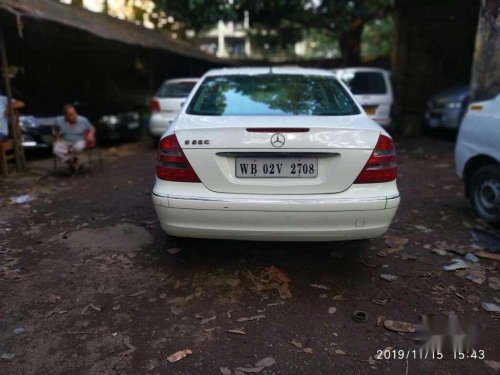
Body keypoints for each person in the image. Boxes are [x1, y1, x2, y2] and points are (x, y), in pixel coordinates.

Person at [53, 104, 95, 173]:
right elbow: (56, 128)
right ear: (66, 117)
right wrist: (58, 137)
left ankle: (74, 162)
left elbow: (91, 128)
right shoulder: (59, 120)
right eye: (71, 115)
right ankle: (72, 164)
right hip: (65, 140)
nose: (74, 116)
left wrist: (91, 134)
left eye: (75, 113)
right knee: (56, 150)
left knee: (78, 147)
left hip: (79, 140)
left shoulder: (83, 120)